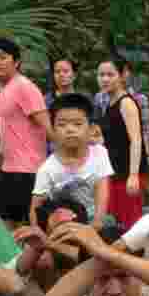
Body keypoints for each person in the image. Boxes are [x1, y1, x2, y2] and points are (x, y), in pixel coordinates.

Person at [0, 37, 53, 227]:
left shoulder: (24, 87)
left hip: (28, 171)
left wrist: (68, 160)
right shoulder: (6, 89)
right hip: (10, 169)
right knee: (6, 227)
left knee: (27, 229)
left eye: (2, 56)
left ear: (16, 62)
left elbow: (47, 127)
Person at [31, 94, 112, 231]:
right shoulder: (47, 169)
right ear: (53, 129)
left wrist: (97, 223)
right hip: (62, 227)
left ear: (91, 129)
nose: (70, 129)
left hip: (93, 223)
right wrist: (39, 235)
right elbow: (36, 208)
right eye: (62, 124)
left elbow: (102, 190)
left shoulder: (100, 153)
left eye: (78, 124)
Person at [98, 57, 149, 232]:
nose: (104, 79)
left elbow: (136, 140)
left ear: (122, 76)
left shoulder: (126, 103)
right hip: (114, 171)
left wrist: (133, 175)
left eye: (110, 74)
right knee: (121, 226)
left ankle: (144, 258)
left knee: (133, 227)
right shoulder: (108, 103)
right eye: (101, 75)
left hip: (128, 173)